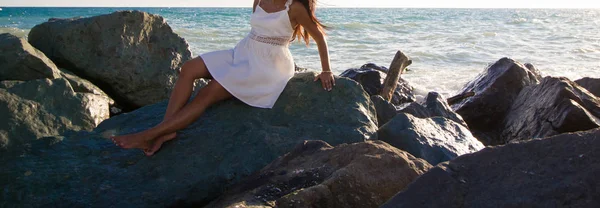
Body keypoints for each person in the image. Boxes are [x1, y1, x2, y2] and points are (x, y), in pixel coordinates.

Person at [112, 0, 334, 156]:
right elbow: (256, 32)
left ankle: (150, 135)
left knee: (207, 93)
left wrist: (326, 70)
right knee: (188, 69)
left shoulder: (294, 7)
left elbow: (319, 38)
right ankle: (166, 130)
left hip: (267, 66)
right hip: (243, 52)